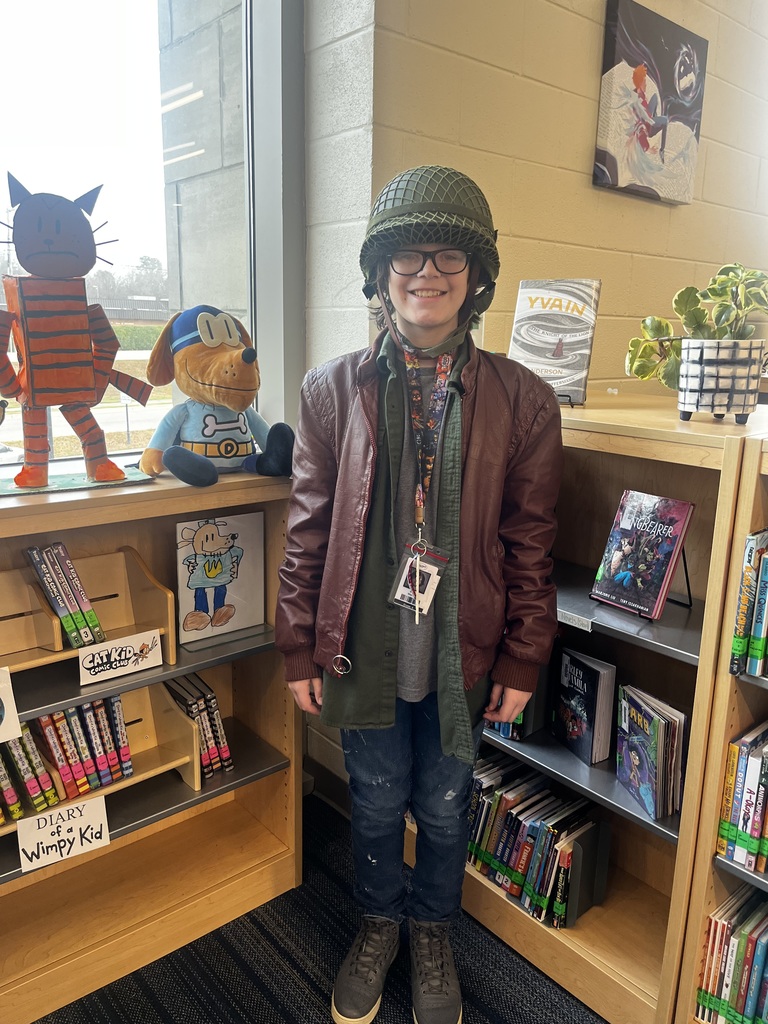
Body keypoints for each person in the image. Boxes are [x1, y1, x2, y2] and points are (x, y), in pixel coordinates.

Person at [275, 165, 563, 1024]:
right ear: (379, 270)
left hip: (464, 649)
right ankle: (377, 924)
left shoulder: (525, 400)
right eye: (406, 253)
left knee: (443, 805)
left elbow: (531, 543)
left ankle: (432, 930)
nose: (426, 271)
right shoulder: (331, 390)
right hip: (361, 649)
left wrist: (524, 653)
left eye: (447, 254)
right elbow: (308, 529)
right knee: (371, 798)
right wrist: (297, 641)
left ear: (475, 274)